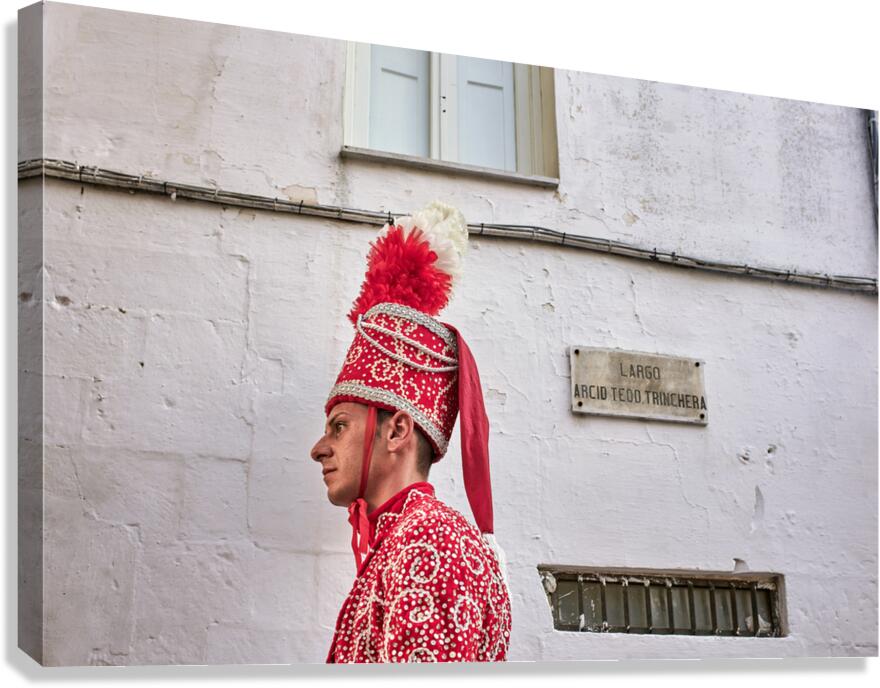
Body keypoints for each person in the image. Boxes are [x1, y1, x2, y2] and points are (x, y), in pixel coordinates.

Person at [310, 201, 511, 663]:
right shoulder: (404, 542)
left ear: (397, 429)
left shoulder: (427, 542)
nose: (319, 449)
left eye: (339, 427)